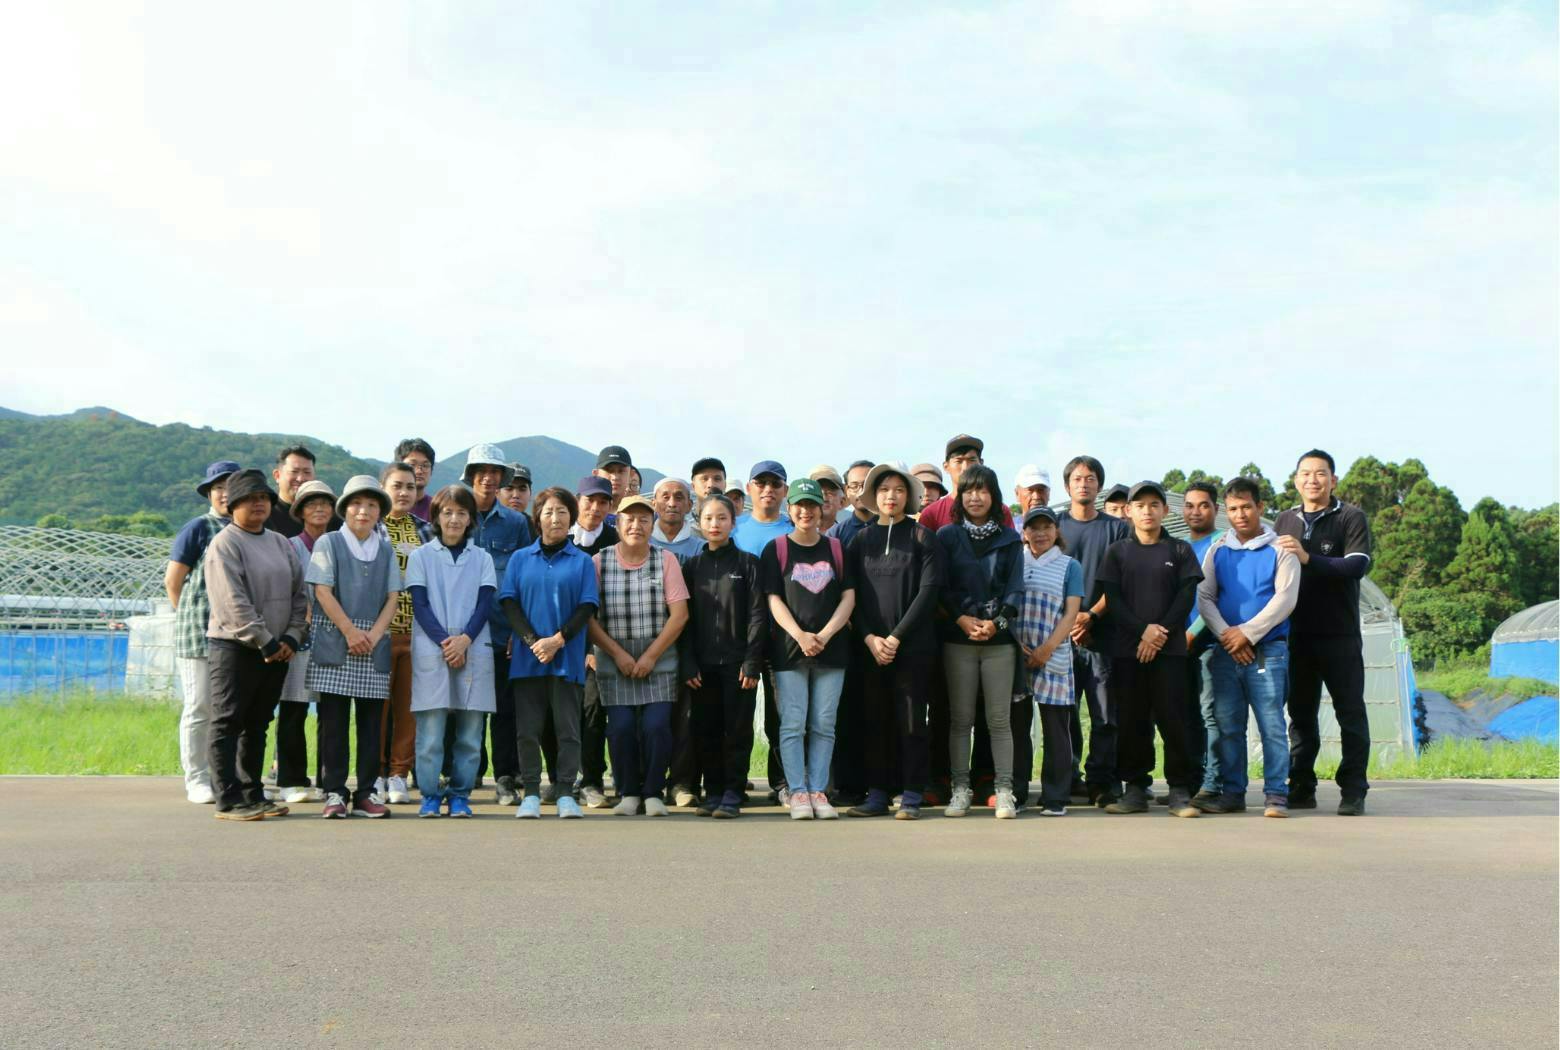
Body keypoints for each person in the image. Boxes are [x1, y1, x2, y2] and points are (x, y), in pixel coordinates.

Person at [201, 469, 308, 820]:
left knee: (258, 724)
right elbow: (232, 602)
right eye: (249, 499)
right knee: (227, 722)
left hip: (278, 649)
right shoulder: (225, 544)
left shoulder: (279, 542)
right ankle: (228, 798)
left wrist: (291, 636)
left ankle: (253, 793)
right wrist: (265, 641)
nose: (259, 504)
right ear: (233, 505)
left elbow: (299, 593)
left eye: (263, 497)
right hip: (235, 647)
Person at [1274, 449, 1374, 816]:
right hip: (1297, 636)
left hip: (1339, 635)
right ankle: (1301, 786)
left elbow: (1356, 566)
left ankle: (1353, 790)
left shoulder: (1350, 517)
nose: (1312, 480)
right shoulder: (1284, 520)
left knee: (1351, 713)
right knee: (1300, 716)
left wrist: (1307, 558)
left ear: (1333, 480)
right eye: (1305, 473)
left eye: (1320, 473)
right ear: (1295, 480)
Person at [1095, 481, 1203, 818]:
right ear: (1128, 511)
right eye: (1140, 505)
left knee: (1174, 719)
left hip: (1170, 652)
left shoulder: (1180, 550)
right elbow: (1113, 600)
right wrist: (1142, 631)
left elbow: (1186, 597)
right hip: (1128, 652)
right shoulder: (1117, 552)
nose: (1147, 511)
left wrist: (1158, 634)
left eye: (1154, 505)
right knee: (1132, 721)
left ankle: (1180, 790)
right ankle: (1135, 788)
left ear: (1165, 511)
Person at [1195, 478, 1300, 818]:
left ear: (1260, 507)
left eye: (1246, 507)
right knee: (1228, 726)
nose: (1240, 514)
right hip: (1226, 651)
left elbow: (1285, 599)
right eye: (1234, 509)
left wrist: (1248, 634)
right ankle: (1233, 793)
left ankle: (1276, 795)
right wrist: (1228, 635)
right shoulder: (1218, 550)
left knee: (1272, 725)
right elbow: (1205, 596)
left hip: (1268, 651)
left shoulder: (1281, 549)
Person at [845, 461, 941, 820]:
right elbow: (851, 596)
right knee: (875, 720)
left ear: (908, 496)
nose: (891, 496)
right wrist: (870, 638)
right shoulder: (860, 540)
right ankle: (877, 793)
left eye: (899, 490)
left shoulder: (923, 538)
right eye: (884, 489)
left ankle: (912, 791)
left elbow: (928, 593)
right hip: (870, 648)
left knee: (912, 720)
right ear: (874, 495)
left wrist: (896, 637)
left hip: (913, 647)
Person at [305, 475, 404, 819]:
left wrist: (373, 635)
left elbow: (393, 597)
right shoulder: (329, 542)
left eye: (372, 505)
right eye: (357, 504)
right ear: (344, 508)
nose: (364, 511)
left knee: (371, 724)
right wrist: (349, 631)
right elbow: (321, 591)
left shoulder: (386, 549)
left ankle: (366, 792)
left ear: (380, 511)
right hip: (336, 638)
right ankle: (334, 791)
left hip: (373, 643)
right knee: (333, 722)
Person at [586, 494, 690, 817]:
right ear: (617, 524)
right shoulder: (599, 561)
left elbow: (679, 615)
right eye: (629, 519)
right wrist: (617, 654)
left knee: (656, 726)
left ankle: (653, 791)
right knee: (620, 727)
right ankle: (628, 791)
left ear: (652, 524)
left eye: (644, 520)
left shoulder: (666, 560)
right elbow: (588, 618)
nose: (636, 525)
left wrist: (650, 656)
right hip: (613, 657)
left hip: (658, 657)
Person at [500, 486, 598, 820]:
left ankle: (565, 792)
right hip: (527, 659)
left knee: (567, 730)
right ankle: (530, 792)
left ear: (571, 518)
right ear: (537, 518)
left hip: (567, 658)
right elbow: (510, 603)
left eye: (562, 512)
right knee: (528, 730)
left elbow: (587, 606)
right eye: (548, 512)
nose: (555, 518)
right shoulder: (520, 558)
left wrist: (557, 641)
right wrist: (533, 642)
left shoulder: (582, 561)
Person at [762, 478, 857, 820]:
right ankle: (797, 790)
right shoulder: (776, 549)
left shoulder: (836, 549)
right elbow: (773, 598)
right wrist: (800, 635)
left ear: (822, 509)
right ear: (790, 509)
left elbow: (849, 596)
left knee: (824, 723)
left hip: (833, 650)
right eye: (800, 505)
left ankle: (818, 790)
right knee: (792, 724)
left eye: (812, 505)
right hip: (789, 651)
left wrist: (826, 635)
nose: (806, 511)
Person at [936, 465, 1025, 819]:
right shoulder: (947, 536)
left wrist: (996, 623)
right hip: (957, 639)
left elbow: (1015, 590)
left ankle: (1004, 791)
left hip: (999, 642)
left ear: (994, 496)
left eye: (982, 490)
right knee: (960, 719)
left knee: (999, 720)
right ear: (960, 496)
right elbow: (940, 587)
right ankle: (960, 789)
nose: (975, 497)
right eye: (969, 490)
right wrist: (960, 618)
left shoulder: (1010, 539)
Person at [405, 484, 496, 817]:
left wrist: (465, 640)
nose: (454, 519)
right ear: (437, 517)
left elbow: (485, 604)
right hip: (433, 648)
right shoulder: (421, 556)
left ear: (470, 518)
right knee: (431, 733)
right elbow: (420, 605)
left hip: (473, 647)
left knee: (470, 734)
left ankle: (460, 794)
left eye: (461, 513)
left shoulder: (482, 558)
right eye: (447, 512)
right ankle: (430, 794)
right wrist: (448, 643)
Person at [679, 494, 764, 818]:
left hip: (738, 664)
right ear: (699, 522)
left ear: (733, 522)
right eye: (708, 518)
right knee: (706, 729)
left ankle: (733, 791)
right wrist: (688, 662)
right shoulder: (692, 567)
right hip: (702, 666)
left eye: (722, 518)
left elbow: (758, 616)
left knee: (737, 730)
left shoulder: (748, 564)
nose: (715, 524)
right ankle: (713, 791)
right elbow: (684, 621)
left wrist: (752, 661)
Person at [462, 443, 535, 805]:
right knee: (465, 707)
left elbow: (525, 578)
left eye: (495, 472)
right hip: (462, 633)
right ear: (471, 476)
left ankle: (505, 777)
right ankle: (466, 773)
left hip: (504, 632)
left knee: (506, 710)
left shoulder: (517, 523)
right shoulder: (455, 514)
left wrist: (520, 632)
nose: (489, 478)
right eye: (482, 472)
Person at [1058, 455, 1130, 807]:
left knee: (1104, 715)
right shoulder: (1054, 525)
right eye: (1077, 478)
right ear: (1067, 485)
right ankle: (1068, 778)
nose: (1083, 484)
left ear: (1098, 485)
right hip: (1060, 637)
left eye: (1090, 478)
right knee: (1064, 713)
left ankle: (1102, 781)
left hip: (1102, 636)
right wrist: (1070, 621)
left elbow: (1121, 581)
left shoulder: (1117, 529)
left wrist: (1091, 616)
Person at [165, 459, 237, 804]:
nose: (225, 494)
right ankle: (196, 778)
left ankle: (228, 778)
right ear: (209, 493)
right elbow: (173, 581)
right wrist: (191, 617)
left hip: (236, 636)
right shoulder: (198, 528)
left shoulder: (249, 529)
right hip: (198, 634)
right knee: (199, 706)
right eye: (218, 488)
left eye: (231, 487)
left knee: (231, 711)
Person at [1015, 506, 1084, 816]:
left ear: (1057, 531)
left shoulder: (1070, 566)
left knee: (1056, 728)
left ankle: (1055, 797)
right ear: (1024, 532)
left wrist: (1046, 649)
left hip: (1053, 655)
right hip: (1017, 654)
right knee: (1017, 728)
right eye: (1034, 527)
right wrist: (1017, 645)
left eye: (1047, 527)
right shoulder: (1016, 561)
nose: (1040, 533)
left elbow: (1071, 614)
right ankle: (1017, 793)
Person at [732, 460, 794, 802]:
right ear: (749, 489)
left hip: (781, 637)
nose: (768, 489)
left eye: (775, 484)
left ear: (785, 491)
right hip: (738, 636)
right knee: (738, 716)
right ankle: (734, 782)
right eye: (761, 483)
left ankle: (782, 783)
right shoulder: (734, 528)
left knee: (780, 716)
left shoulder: (793, 528)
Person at [275, 479, 336, 804]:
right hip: (299, 637)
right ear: (299, 510)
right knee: (293, 708)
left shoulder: (339, 545)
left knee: (331, 713)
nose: (319, 509)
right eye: (311, 503)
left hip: (333, 639)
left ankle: (330, 780)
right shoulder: (288, 546)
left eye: (325, 503)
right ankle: (291, 779)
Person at [378, 462, 430, 805]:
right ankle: (375, 773)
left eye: (410, 487)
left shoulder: (425, 530)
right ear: (383, 488)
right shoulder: (371, 527)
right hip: (378, 634)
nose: (404, 492)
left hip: (417, 634)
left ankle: (399, 773)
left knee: (408, 710)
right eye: (397, 485)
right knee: (376, 710)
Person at [570, 476, 619, 808]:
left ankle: (592, 780)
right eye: (590, 500)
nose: (595, 507)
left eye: (603, 502)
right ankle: (563, 776)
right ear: (578, 501)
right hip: (559, 640)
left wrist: (593, 648)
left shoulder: (616, 541)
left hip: (600, 644)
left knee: (593, 710)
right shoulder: (561, 537)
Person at [1180, 481, 1224, 804]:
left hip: (1208, 644)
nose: (1196, 511)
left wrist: (1193, 634)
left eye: (1203, 505)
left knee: (1211, 714)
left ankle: (1213, 782)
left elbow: (1216, 598)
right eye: (1190, 505)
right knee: (1186, 715)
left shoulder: (1221, 545)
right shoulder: (1179, 547)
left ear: (1216, 509)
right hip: (1178, 646)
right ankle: (1191, 781)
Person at [918, 435, 1014, 533]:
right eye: (958, 461)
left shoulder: (1000, 511)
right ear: (946, 466)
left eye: (972, 460)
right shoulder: (931, 514)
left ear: (981, 463)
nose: (965, 467)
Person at [266, 444, 338, 538]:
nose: (300, 479)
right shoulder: (265, 515)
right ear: (277, 475)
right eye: (294, 472)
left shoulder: (329, 516)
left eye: (307, 472)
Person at [650, 478, 703, 560]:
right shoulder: (642, 541)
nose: (672, 504)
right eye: (666, 497)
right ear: (654, 504)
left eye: (678, 498)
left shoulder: (701, 547)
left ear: (689, 505)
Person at [827, 460, 875, 545]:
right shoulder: (836, 534)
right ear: (847, 491)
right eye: (854, 486)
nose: (861, 491)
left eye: (866, 485)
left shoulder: (892, 528)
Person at [394, 438, 437, 522]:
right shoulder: (383, 506)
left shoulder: (437, 509)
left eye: (425, 465)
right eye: (412, 465)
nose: (419, 471)